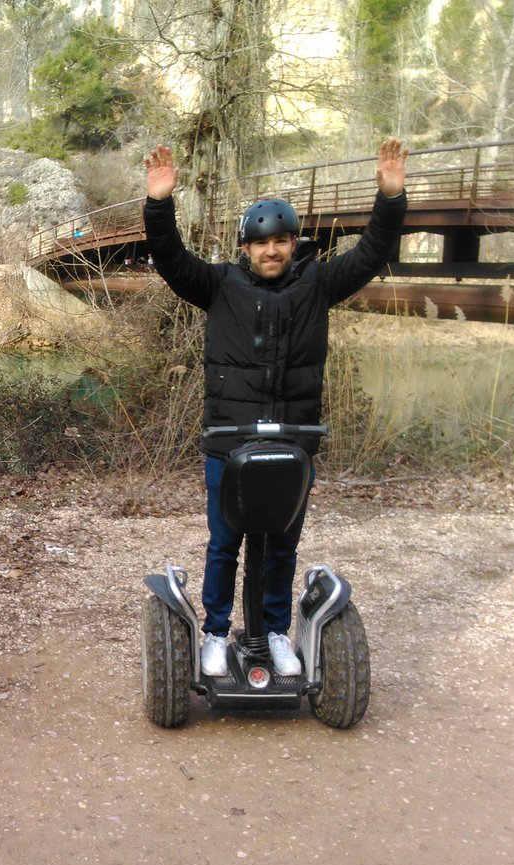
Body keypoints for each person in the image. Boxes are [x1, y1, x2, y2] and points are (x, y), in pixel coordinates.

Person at [142, 139, 409, 677]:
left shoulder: (318, 283)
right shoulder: (218, 285)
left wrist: (390, 198)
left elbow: (372, 252)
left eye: (281, 241)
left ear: (293, 243)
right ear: (245, 247)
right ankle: (216, 633)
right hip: (229, 439)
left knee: (282, 545)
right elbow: (170, 260)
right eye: (261, 242)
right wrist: (159, 204)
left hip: (293, 440)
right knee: (225, 544)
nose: (271, 251)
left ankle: (276, 633)